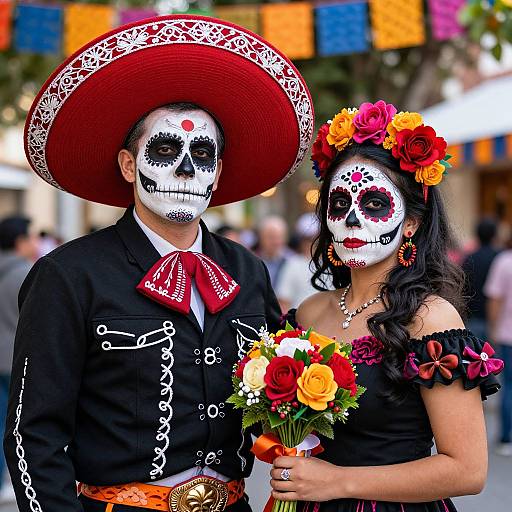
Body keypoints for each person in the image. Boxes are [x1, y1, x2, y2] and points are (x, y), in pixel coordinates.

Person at [3, 15, 313, 512]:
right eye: (166, 150)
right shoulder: (68, 275)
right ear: (130, 165)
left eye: (203, 155)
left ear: (217, 175)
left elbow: (279, 405)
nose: (186, 170)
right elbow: (34, 434)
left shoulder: (248, 271)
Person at [269, 102, 503, 511]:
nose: (353, 219)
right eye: (339, 204)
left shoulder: (430, 319)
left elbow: (468, 470)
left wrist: (338, 482)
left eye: (375, 203)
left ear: (411, 223)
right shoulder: (307, 313)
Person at [0, 216, 37, 502]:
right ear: (20, 241)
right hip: (14, 359)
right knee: (16, 424)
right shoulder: (26, 273)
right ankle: (12, 479)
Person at [484, 242, 512, 456]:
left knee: (509, 387)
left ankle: (506, 438)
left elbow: (494, 298)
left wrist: (492, 328)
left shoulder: (504, 261)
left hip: (507, 333)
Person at [276, 213, 329, 311]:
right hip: (300, 324)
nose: (314, 243)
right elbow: (283, 302)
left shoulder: (333, 264)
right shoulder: (293, 264)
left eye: (317, 238)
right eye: (309, 239)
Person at [462, 218, 499, 340]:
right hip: (496, 319)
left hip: (473, 316)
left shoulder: (469, 258)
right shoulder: (499, 257)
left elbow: (463, 287)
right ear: (494, 235)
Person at [256, 216, 293, 290]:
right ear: (261, 237)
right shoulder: (253, 261)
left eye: (279, 237)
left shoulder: (293, 261)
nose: (276, 242)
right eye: (271, 237)